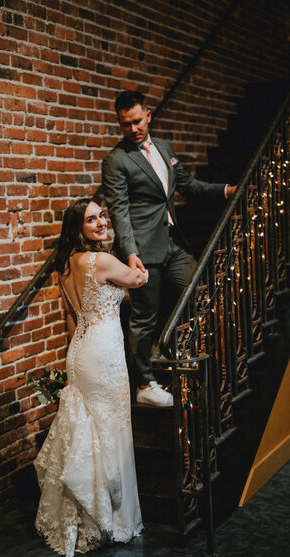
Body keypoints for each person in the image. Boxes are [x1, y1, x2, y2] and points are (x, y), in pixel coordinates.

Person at [102, 90, 237, 408]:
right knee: (144, 318)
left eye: (136, 121)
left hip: (174, 243)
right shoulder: (116, 160)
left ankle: (182, 352)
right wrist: (130, 252)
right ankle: (145, 384)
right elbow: (118, 211)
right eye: (125, 125)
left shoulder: (163, 148)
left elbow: (187, 185)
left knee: (200, 292)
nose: (133, 129)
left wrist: (225, 190)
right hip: (144, 250)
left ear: (148, 115)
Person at [34, 198, 148, 557]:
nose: (100, 222)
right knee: (111, 427)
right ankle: (113, 517)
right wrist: (132, 255)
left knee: (90, 427)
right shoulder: (101, 260)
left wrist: (71, 362)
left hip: (80, 352)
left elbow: (71, 316)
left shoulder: (66, 265)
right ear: (78, 228)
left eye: (102, 215)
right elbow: (138, 279)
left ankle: (89, 510)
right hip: (105, 354)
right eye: (90, 220)